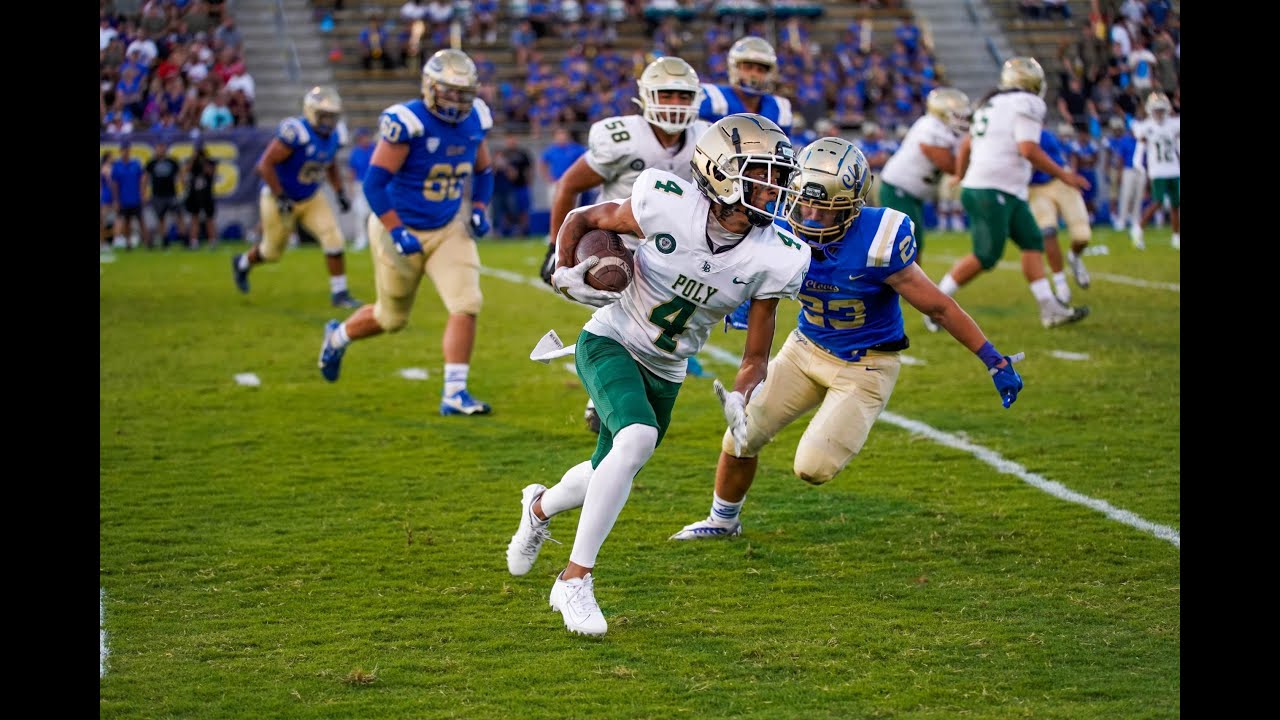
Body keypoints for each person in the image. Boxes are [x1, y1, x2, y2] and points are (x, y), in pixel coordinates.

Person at [505, 114, 810, 636]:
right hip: (611, 339)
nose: (776, 188)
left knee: (614, 465)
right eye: (765, 174)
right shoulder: (664, 200)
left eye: (780, 177)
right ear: (722, 173)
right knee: (635, 438)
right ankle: (574, 580)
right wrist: (564, 272)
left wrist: (743, 395)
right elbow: (582, 218)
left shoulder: (779, 254)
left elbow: (755, 355)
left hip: (667, 369)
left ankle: (538, 506)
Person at [669, 137, 1024, 540]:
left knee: (812, 467)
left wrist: (993, 359)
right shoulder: (779, 227)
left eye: (825, 208)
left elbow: (939, 307)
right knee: (740, 436)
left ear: (852, 206)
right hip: (805, 349)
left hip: (866, 365)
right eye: (804, 201)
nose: (811, 214)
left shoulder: (878, 239)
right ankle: (722, 521)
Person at [536, 55, 712, 434]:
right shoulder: (621, 136)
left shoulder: (706, 140)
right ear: (646, 96)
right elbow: (569, 185)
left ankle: (619, 394)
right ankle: (603, 395)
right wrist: (556, 247)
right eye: (667, 94)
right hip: (618, 242)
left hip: (675, 249)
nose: (675, 104)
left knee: (659, 330)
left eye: (683, 96)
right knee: (625, 325)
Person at [316, 49, 496, 416]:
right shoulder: (408, 121)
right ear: (430, 88)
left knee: (467, 303)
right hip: (398, 226)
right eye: (449, 91)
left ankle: (455, 393)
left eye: (464, 92)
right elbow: (374, 184)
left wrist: (477, 208)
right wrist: (396, 230)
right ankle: (337, 337)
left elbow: (485, 171)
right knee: (390, 319)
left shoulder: (475, 118)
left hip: (448, 227)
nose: (457, 100)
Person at [926, 57, 1091, 331]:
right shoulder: (1027, 103)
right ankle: (934, 306)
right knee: (986, 256)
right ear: (1033, 83)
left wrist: (961, 173)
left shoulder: (991, 102)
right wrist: (1064, 175)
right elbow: (1028, 149)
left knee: (1032, 241)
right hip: (992, 189)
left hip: (1003, 188)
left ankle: (1050, 309)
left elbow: (967, 144)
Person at [231, 86, 361, 308]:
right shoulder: (296, 133)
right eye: (324, 116)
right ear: (311, 113)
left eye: (332, 117)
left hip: (311, 197)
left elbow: (329, 163)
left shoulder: (335, 135)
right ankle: (243, 262)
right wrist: (280, 196)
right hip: (279, 197)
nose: (328, 122)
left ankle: (340, 293)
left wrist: (339, 191)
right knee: (272, 252)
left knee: (333, 238)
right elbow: (264, 165)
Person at [699, 37, 795, 332]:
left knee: (782, 228)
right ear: (734, 67)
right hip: (716, 182)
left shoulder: (779, 107)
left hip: (759, 184)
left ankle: (747, 298)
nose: (754, 74)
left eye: (761, 68)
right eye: (748, 66)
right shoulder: (712, 98)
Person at [877, 87, 971, 263]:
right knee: (909, 243)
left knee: (912, 244)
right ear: (941, 113)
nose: (962, 120)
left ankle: (908, 287)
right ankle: (904, 287)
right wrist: (968, 150)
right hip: (898, 188)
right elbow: (950, 166)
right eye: (956, 115)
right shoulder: (929, 128)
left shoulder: (947, 130)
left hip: (913, 192)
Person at [1026, 123, 1092, 306]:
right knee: (1048, 231)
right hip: (1035, 188)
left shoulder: (1044, 135)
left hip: (1059, 179)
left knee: (1082, 236)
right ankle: (1061, 284)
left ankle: (1074, 257)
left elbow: (1047, 160)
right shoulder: (1006, 137)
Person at [1131, 91, 1180, 250]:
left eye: (1161, 109)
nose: (1158, 113)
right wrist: (1138, 166)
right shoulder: (1146, 126)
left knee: (1175, 204)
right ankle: (1139, 227)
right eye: (1156, 109)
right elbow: (1140, 147)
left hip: (1174, 168)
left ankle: (1176, 236)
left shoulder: (1174, 124)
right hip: (1157, 170)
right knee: (1157, 202)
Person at [1106, 115, 1144, 241]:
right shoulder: (1125, 140)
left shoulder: (1142, 141)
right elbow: (1120, 158)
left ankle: (1135, 220)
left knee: (1138, 196)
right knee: (1125, 195)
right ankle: (1121, 220)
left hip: (1140, 170)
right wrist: (1120, 173)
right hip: (1128, 169)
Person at [145, 139, 185, 249]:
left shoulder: (172, 161)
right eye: (159, 147)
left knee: (179, 216)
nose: (160, 150)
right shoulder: (152, 162)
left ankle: (183, 237)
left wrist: (183, 186)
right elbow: (145, 178)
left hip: (171, 194)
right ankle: (165, 239)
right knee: (161, 218)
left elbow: (180, 174)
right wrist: (143, 193)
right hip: (158, 195)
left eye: (162, 147)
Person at [111, 140, 150, 250]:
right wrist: (116, 199)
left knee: (141, 220)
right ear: (120, 151)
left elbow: (142, 179)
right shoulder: (117, 165)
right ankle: (128, 243)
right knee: (127, 221)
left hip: (135, 197)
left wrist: (143, 193)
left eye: (127, 150)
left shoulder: (135, 163)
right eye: (123, 150)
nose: (125, 152)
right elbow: (115, 184)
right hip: (124, 198)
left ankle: (147, 242)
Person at [490, 134, 532, 237]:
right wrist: (496, 165)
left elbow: (513, 176)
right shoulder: (493, 163)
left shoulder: (514, 158)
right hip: (496, 190)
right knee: (496, 212)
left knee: (514, 210)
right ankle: (497, 232)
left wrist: (506, 166)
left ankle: (517, 230)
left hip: (509, 189)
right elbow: (490, 175)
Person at [184, 141, 219, 249]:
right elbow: (186, 171)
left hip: (206, 194)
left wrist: (204, 162)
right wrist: (194, 159)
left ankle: (212, 240)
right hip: (194, 195)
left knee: (209, 218)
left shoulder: (209, 162)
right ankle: (194, 240)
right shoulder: (192, 162)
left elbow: (211, 172)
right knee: (194, 218)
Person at [346, 126, 375, 251]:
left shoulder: (375, 149)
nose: (362, 140)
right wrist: (351, 187)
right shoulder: (355, 152)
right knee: (359, 213)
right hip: (360, 185)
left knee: (374, 213)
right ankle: (361, 239)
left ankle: (375, 240)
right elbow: (352, 171)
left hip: (373, 184)